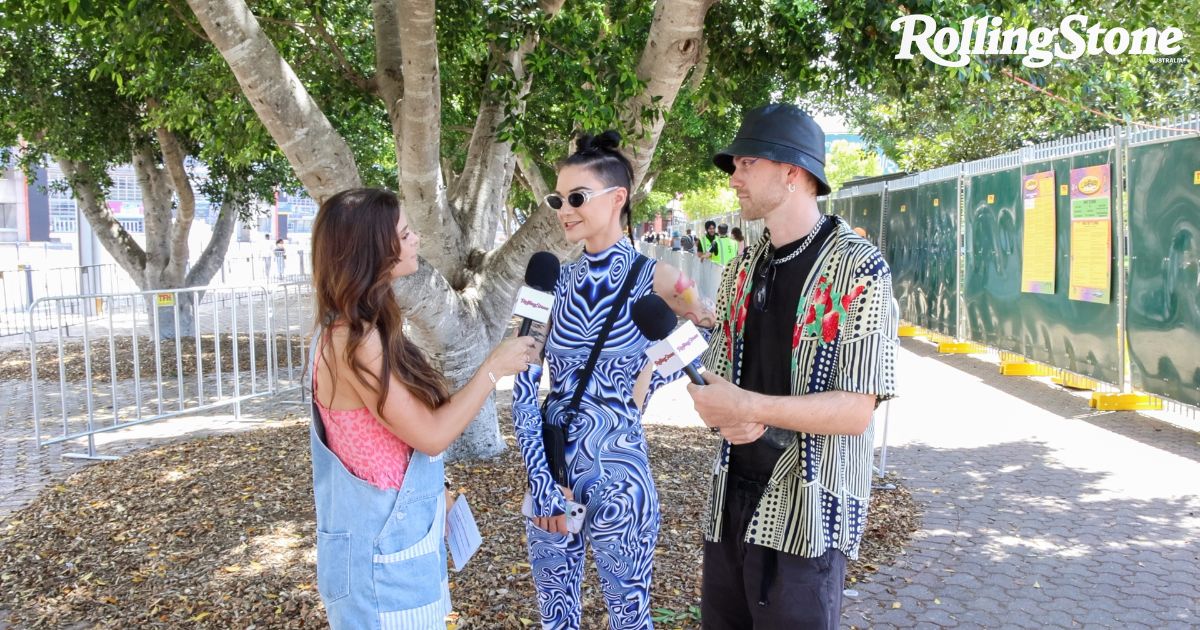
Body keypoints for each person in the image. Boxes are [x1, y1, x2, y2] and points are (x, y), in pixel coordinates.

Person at [685, 103, 898, 629]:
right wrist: (716, 412)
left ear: (792, 172)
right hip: (731, 501)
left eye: (746, 163)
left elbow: (855, 411)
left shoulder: (858, 267)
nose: (734, 178)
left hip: (810, 512)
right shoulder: (742, 266)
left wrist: (747, 405)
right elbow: (718, 386)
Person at [513, 131, 716, 629]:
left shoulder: (662, 278)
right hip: (554, 472)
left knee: (629, 618)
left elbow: (704, 342)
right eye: (558, 199)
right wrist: (541, 484)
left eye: (577, 198)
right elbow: (521, 386)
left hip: (623, 480)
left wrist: (647, 374)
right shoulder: (548, 280)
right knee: (555, 620)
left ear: (618, 198)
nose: (564, 210)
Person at [308, 188, 537, 629]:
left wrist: (435, 489)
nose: (415, 240)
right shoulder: (353, 340)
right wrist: (493, 367)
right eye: (405, 232)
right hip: (379, 566)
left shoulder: (366, 328)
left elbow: (395, 440)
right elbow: (431, 433)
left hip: (397, 548)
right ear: (375, 250)